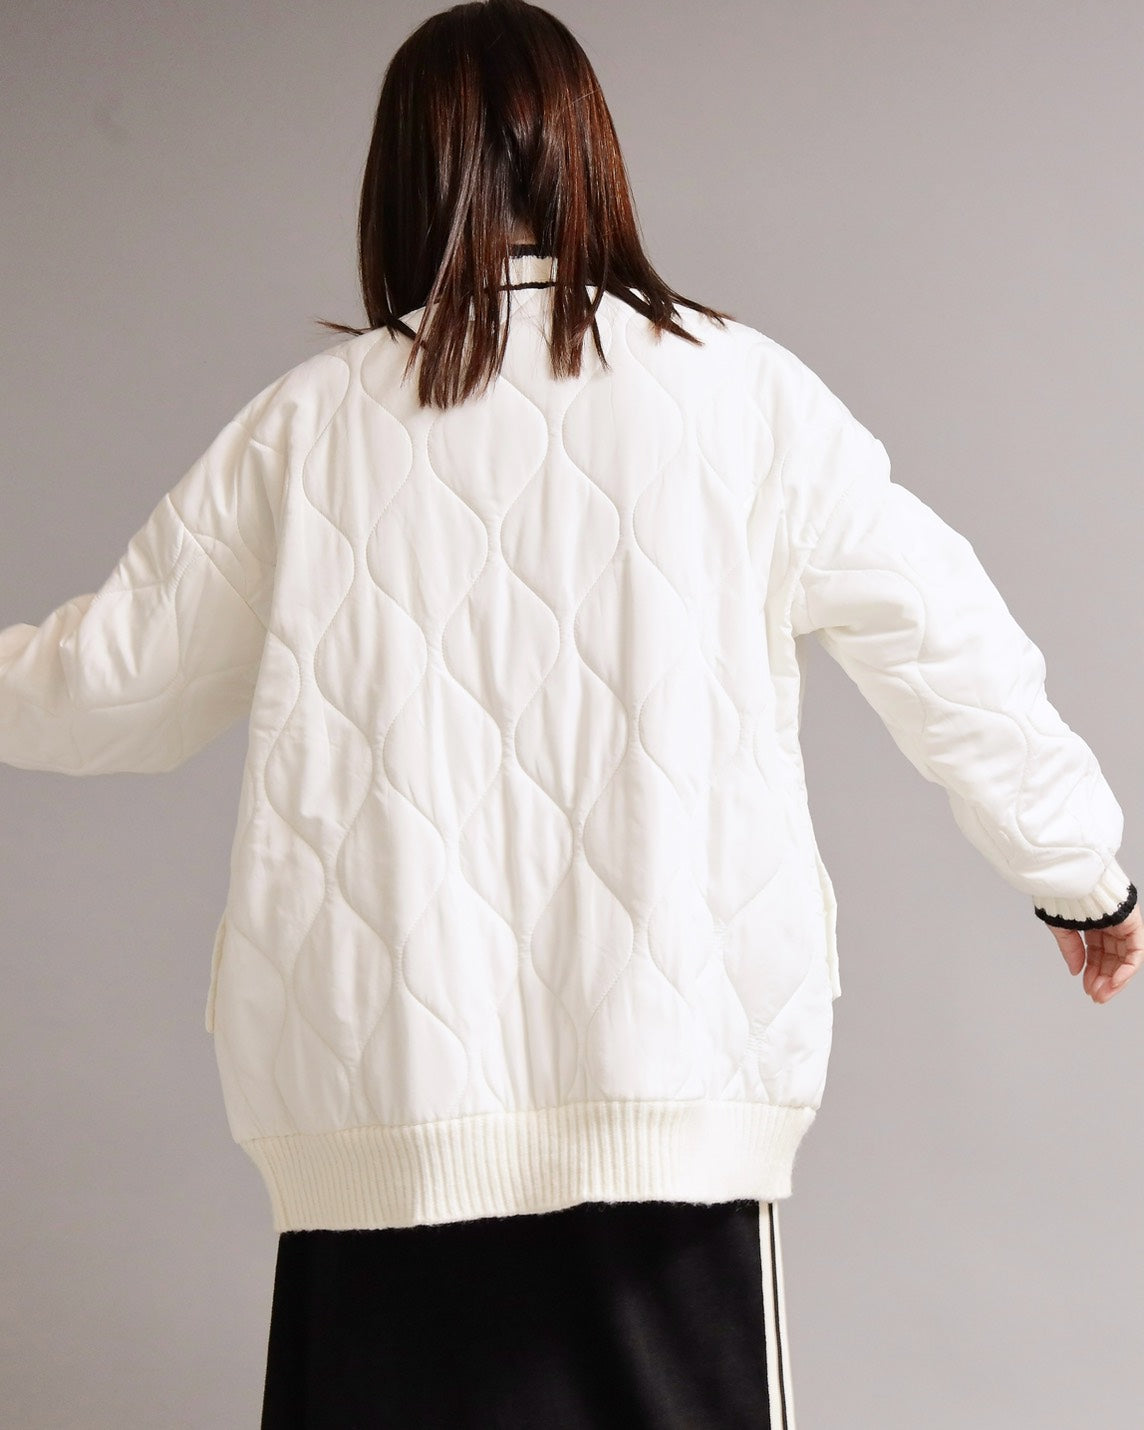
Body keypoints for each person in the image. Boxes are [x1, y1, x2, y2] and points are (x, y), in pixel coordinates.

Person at [2, 1, 1139, 1425]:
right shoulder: (745, 397)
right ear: (590, 157)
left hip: (381, 1111)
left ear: (400, 179)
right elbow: (943, 633)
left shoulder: (308, 428)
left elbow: (112, 681)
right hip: (672, 1094)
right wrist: (1078, 870)